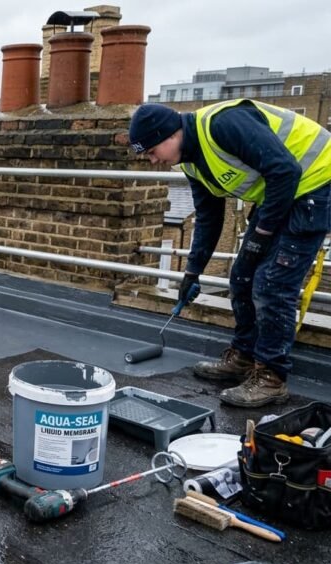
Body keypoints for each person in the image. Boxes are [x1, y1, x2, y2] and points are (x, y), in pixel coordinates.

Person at [129, 101, 331, 408]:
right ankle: (244, 358)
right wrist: (192, 273)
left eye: (151, 151)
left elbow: (286, 170)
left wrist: (259, 237)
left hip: (316, 183)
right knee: (241, 275)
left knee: (272, 283)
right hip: (281, 191)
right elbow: (209, 219)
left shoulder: (223, 124)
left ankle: (271, 378)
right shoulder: (190, 161)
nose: (151, 160)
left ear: (170, 134)